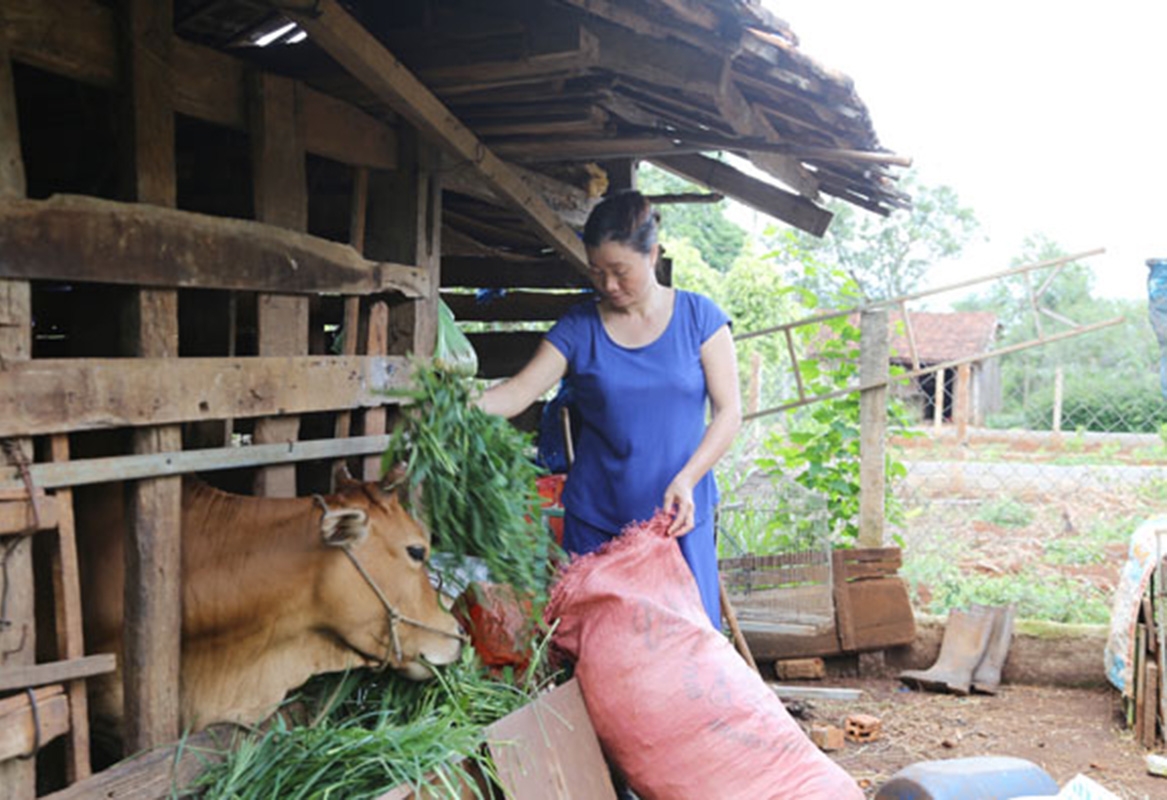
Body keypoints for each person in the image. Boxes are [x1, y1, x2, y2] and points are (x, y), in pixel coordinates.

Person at [476, 191, 741, 628]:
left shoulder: (700, 318)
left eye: (620, 272)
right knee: (598, 650)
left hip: (676, 517)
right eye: (597, 273)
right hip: (598, 520)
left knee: (685, 653)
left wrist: (689, 479)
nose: (609, 285)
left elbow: (729, 413)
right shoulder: (579, 328)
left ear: (652, 255)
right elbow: (517, 393)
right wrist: (452, 403)